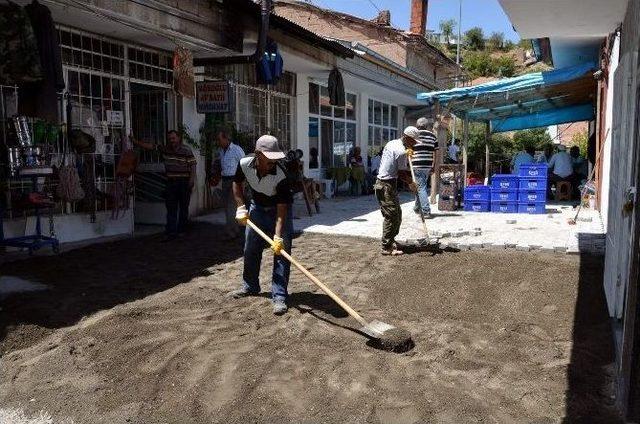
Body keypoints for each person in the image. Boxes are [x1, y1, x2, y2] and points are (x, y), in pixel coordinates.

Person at [230, 135, 294, 315]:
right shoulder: (244, 163)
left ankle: (280, 295)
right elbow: (236, 182)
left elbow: (282, 209)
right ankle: (250, 286)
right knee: (250, 248)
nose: (273, 162)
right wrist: (241, 207)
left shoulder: (281, 175)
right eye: (269, 158)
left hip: (278, 210)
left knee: (281, 252)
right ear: (258, 154)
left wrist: (278, 236)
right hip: (256, 208)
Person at [131, 130, 196, 241]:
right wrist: (135, 141)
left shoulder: (186, 149)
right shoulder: (165, 149)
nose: (172, 141)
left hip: (183, 182)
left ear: (178, 138)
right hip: (171, 182)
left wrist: (191, 180)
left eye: (173, 138)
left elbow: (193, 165)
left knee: (184, 208)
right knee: (171, 208)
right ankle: (171, 231)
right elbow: (151, 147)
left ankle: (181, 230)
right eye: (170, 138)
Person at [374, 126, 419, 256]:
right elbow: (402, 173)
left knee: (397, 214)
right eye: (413, 141)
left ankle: (391, 240)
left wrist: (407, 151)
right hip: (385, 185)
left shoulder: (393, 143)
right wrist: (411, 183)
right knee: (391, 215)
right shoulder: (400, 151)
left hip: (388, 184)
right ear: (406, 137)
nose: (415, 144)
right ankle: (386, 247)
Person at [212, 129, 245, 239]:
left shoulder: (236, 150)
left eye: (220, 139)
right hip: (225, 180)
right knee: (227, 206)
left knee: (231, 206)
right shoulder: (221, 151)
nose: (218, 142)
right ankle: (234, 229)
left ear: (226, 139)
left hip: (235, 180)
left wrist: (242, 182)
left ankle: (230, 232)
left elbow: (244, 165)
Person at [412, 117, 437, 218]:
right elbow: (435, 152)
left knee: (421, 187)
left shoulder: (414, 135)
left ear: (417, 125)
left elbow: (408, 149)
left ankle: (426, 210)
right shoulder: (433, 136)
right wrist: (433, 165)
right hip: (427, 165)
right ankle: (417, 207)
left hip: (417, 164)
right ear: (426, 126)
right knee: (420, 186)